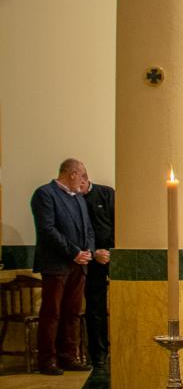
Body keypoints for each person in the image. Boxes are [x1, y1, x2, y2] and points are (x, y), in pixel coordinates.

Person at [30, 159, 100, 374]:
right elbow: (47, 230)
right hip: (56, 264)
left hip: (79, 265)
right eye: (82, 176)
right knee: (52, 312)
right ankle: (47, 360)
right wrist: (74, 252)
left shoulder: (78, 198)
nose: (84, 180)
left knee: (72, 312)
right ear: (72, 173)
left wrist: (88, 250)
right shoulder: (45, 194)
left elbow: (88, 228)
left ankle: (68, 356)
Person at [80, 174, 115, 368]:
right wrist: (94, 253)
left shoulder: (106, 194)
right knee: (94, 308)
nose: (78, 188)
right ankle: (98, 353)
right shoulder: (75, 198)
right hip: (88, 258)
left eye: (81, 185)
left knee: (111, 306)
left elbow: (118, 223)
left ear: (85, 179)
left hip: (111, 256)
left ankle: (114, 348)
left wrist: (109, 251)